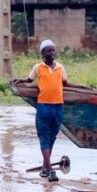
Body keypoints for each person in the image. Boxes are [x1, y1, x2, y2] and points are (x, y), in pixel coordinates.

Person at [27, 39, 70, 181]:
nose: (52, 52)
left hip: (58, 106)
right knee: (44, 136)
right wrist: (19, 81)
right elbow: (29, 80)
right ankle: (50, 170)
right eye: (49, 50)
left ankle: (45, 168)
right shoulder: (38, 67)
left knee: (52, 136)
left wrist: (85, 88)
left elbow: (65, 83)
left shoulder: (60, 68)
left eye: (53, 50)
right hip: (44, 106)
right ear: (43, 53)